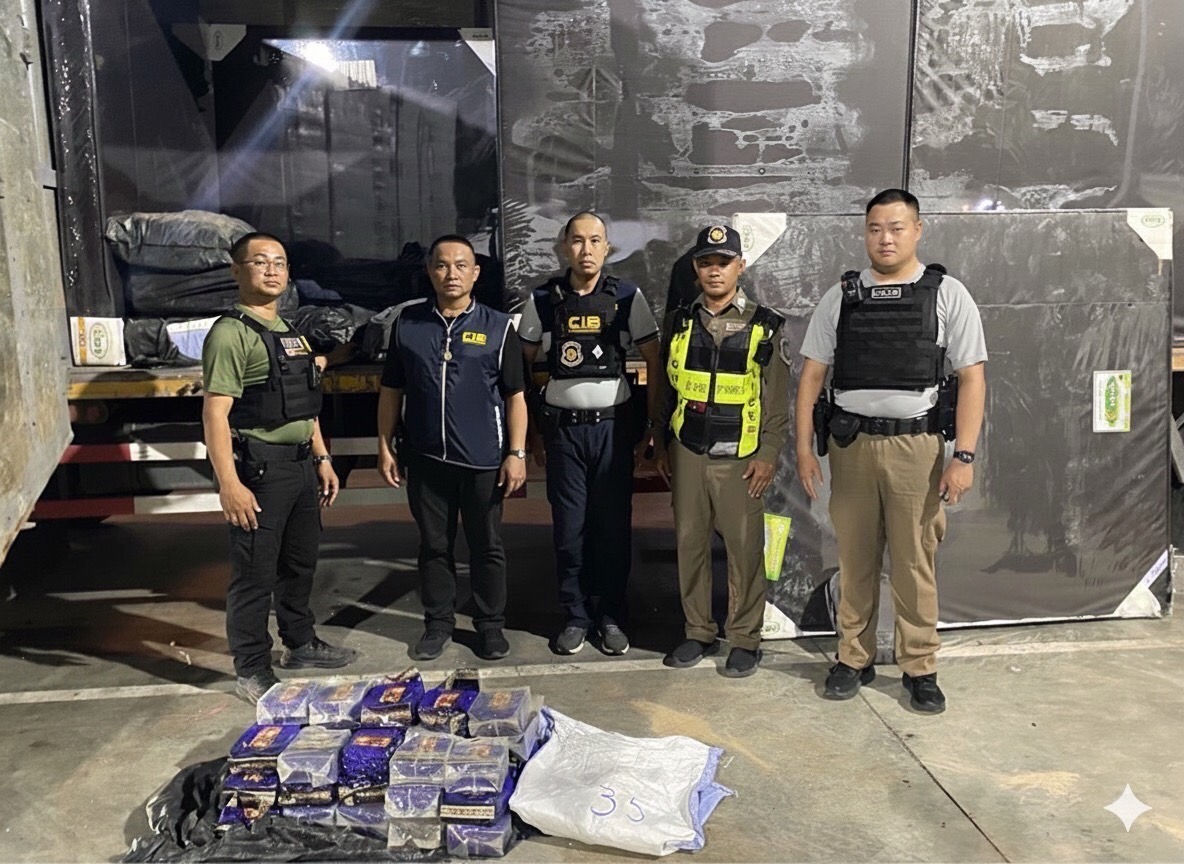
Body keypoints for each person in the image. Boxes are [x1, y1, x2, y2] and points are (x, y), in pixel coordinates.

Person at [795, 188, 987, 714]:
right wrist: (805, 450)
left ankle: (919, 667)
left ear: (917, 230)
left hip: (916, 449)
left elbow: (972, 378)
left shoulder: (947, 294)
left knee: (913, 564)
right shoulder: (842, 297)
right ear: (865, 233)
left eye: (897, 228)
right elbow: (811, 376)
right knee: (854, 560)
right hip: (851, 448)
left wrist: (964, 457)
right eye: (875, 228)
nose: (885, 238)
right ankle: (852, 658)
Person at [202, 232, 358, 705]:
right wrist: (229, 483)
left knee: (299, 563)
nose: (272, 270)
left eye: (280, 262)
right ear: (237, 271)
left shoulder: (289, 332)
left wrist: (322, 457)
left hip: (300, 466)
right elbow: (215, 415)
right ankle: (251, 668)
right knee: (255, 574)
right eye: (260, 261)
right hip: (261, 470)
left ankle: (300, 642)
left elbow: (305, 404)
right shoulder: (230, 333)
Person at [376, 235, 527, 662]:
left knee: (487, 546)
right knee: (433, 545)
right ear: (430, 271)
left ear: (475, 273)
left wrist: (515, 453)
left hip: (483, 460)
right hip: (426, 458)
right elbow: (391, 390)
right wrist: (385, 445)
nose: (451, 274)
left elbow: (515, 396)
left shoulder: (499, 327)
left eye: (461, 265)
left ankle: (490, 625)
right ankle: (438, 623)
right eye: (442, 265)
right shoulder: (408, 324)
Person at [518, 212, 661, 656]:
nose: (586, 249)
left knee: (613, 528)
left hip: (613, 431)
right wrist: (532, 433)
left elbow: (655, 360)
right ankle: (576, 616)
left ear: (607, 247)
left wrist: (651, 428)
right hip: (564, 434)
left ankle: (611, 615)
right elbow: (520, 368)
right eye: (577, 240)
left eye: (595, 240)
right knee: (570, 530)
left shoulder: (627, 297)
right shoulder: (543, 300)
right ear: (564, 247)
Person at [653, 224, 790, 678]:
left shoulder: (765, 324)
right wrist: (661, 442)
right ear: (696, 269)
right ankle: (698, 632)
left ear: (740, 267)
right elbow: (666, 390)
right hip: (688, 451)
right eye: (707, 263)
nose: (715, 271)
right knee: (689, 544)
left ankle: (745, 639)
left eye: (724, 263)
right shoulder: (678, 321)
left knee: (745, 551)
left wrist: (768, 453)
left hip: (742, 457)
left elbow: (776, 400)